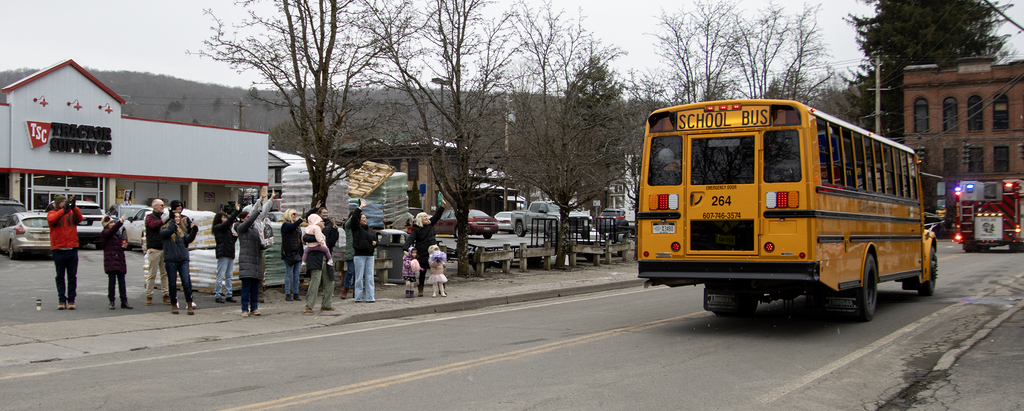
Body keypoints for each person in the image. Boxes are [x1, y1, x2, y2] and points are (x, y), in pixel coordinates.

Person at [235, 187, 273, 317]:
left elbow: (259, 244)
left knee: (255, 287)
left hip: (255, 261)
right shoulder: (241, 228)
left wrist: (266, 245)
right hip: (247, 261)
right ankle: (244, 309)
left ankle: (254, 307)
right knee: (246, 287)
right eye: (247, 217)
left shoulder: (255, 230)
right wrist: (258, 207)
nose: (250, 218)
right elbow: (250, 219)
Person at [404, 198, 447, 296]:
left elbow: (437, 216)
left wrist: (442, 206)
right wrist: (405, 248)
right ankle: (421, 289)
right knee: (422, 271)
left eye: (426, 216)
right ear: (420, 219)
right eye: (424, 217)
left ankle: (442, 289)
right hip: (422, 252)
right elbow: (410, 239)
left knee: (438, 270)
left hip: (433, 252)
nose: (426, 218)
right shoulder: (416, 229)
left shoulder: (429, 224)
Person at [47, 194, 83, 310]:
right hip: (59, 250)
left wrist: (74, 207)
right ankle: (61, 300)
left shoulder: (71, 213)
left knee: (72, 276)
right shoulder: (52, 213)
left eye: (65, 201)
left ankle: (72, 300)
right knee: (60, 276)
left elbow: (80, 219)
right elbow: (52, 220)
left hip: (72, 249)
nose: (64, 203)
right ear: (58, 203)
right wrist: (63, 210)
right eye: (62, 201)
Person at [161, 208, 198, 315]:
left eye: (178, 217)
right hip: (171, 260)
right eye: (175, 217)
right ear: (169, 220)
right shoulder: (164, 231)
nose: (178, 219)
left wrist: (194, 230)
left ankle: (189, 304)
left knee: (186, 282)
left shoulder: (180, 231)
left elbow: (188, 240)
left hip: (183, 259)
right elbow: (169, 230)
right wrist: (172, 221)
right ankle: (174, 304)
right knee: (172, 283)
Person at [302, 212, 336, 313]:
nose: (323, 223)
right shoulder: (310, 231)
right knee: (315, 281)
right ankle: (309, 304)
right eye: (321, 221)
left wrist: (334, 231)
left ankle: (326, 304)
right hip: (316, 258)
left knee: (330, 281)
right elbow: (305, 238)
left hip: (325, 258)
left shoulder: (321, 232)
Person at [100, 215, 132, 310]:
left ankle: (124, 301)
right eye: (110, 223)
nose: (112, 224)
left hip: (119, 259)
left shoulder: (117, 234)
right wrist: (120, 222)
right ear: (106, 225)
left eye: (113, 222)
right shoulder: (105, 233)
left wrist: (123, 247)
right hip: (111, 260)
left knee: (122, 282)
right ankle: (112, 301)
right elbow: (111, 231)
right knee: (112, 282)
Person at [144, 199, 171, 306]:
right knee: (152, 273)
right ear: (155, 207)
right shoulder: (149, 218)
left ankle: (166, 295)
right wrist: (165, 219)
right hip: (154, 248)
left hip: (163, 247)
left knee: (164, 274)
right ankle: (149, 295)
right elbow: (154, 225)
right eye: (161, 205)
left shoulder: (161, 218)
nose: (163, 207)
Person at [351, 199, 378, 303]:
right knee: (358, 278)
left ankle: (370, 297)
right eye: (363, 218)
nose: (365, 219)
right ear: (359, 220)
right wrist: (360, 208)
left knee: (370, 277)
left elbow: (375, 240)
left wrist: (376, 243)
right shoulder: (356, 228)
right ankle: (358, 297)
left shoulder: (370, 230)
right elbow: (353, 219)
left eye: (365, 217)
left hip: (370, 255)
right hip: (359, 255)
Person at [212, 208, 241, 304]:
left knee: (229, 275)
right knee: (221, 275)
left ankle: (229, 294)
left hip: (229, 252)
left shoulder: (226, 230)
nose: (225, 219)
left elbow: (231, 241)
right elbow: (227, 223)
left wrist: (235, 237)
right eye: (223, 217)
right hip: (223, 253)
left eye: (225, 217)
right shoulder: (218, 227)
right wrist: (236, 211)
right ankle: (218, 294)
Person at [279, 209, 303, 301]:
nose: (295, 216)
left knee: (297, 274)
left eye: (296, 214)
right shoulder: (285, 226)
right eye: (293, 214)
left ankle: (296, 293)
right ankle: (288, 293)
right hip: (288, 253)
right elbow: (292, 226)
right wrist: (299, 220)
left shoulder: (297, 227)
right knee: (289, 273)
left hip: (296, 252)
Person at [341, 209, 357, 299]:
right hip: (350, 253)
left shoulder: (357, 227)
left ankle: (355, 290)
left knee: (356, 273)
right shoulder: (348, 227)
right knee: (350, 271)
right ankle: (345, 289)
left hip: (358, 252)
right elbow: (349, 222)